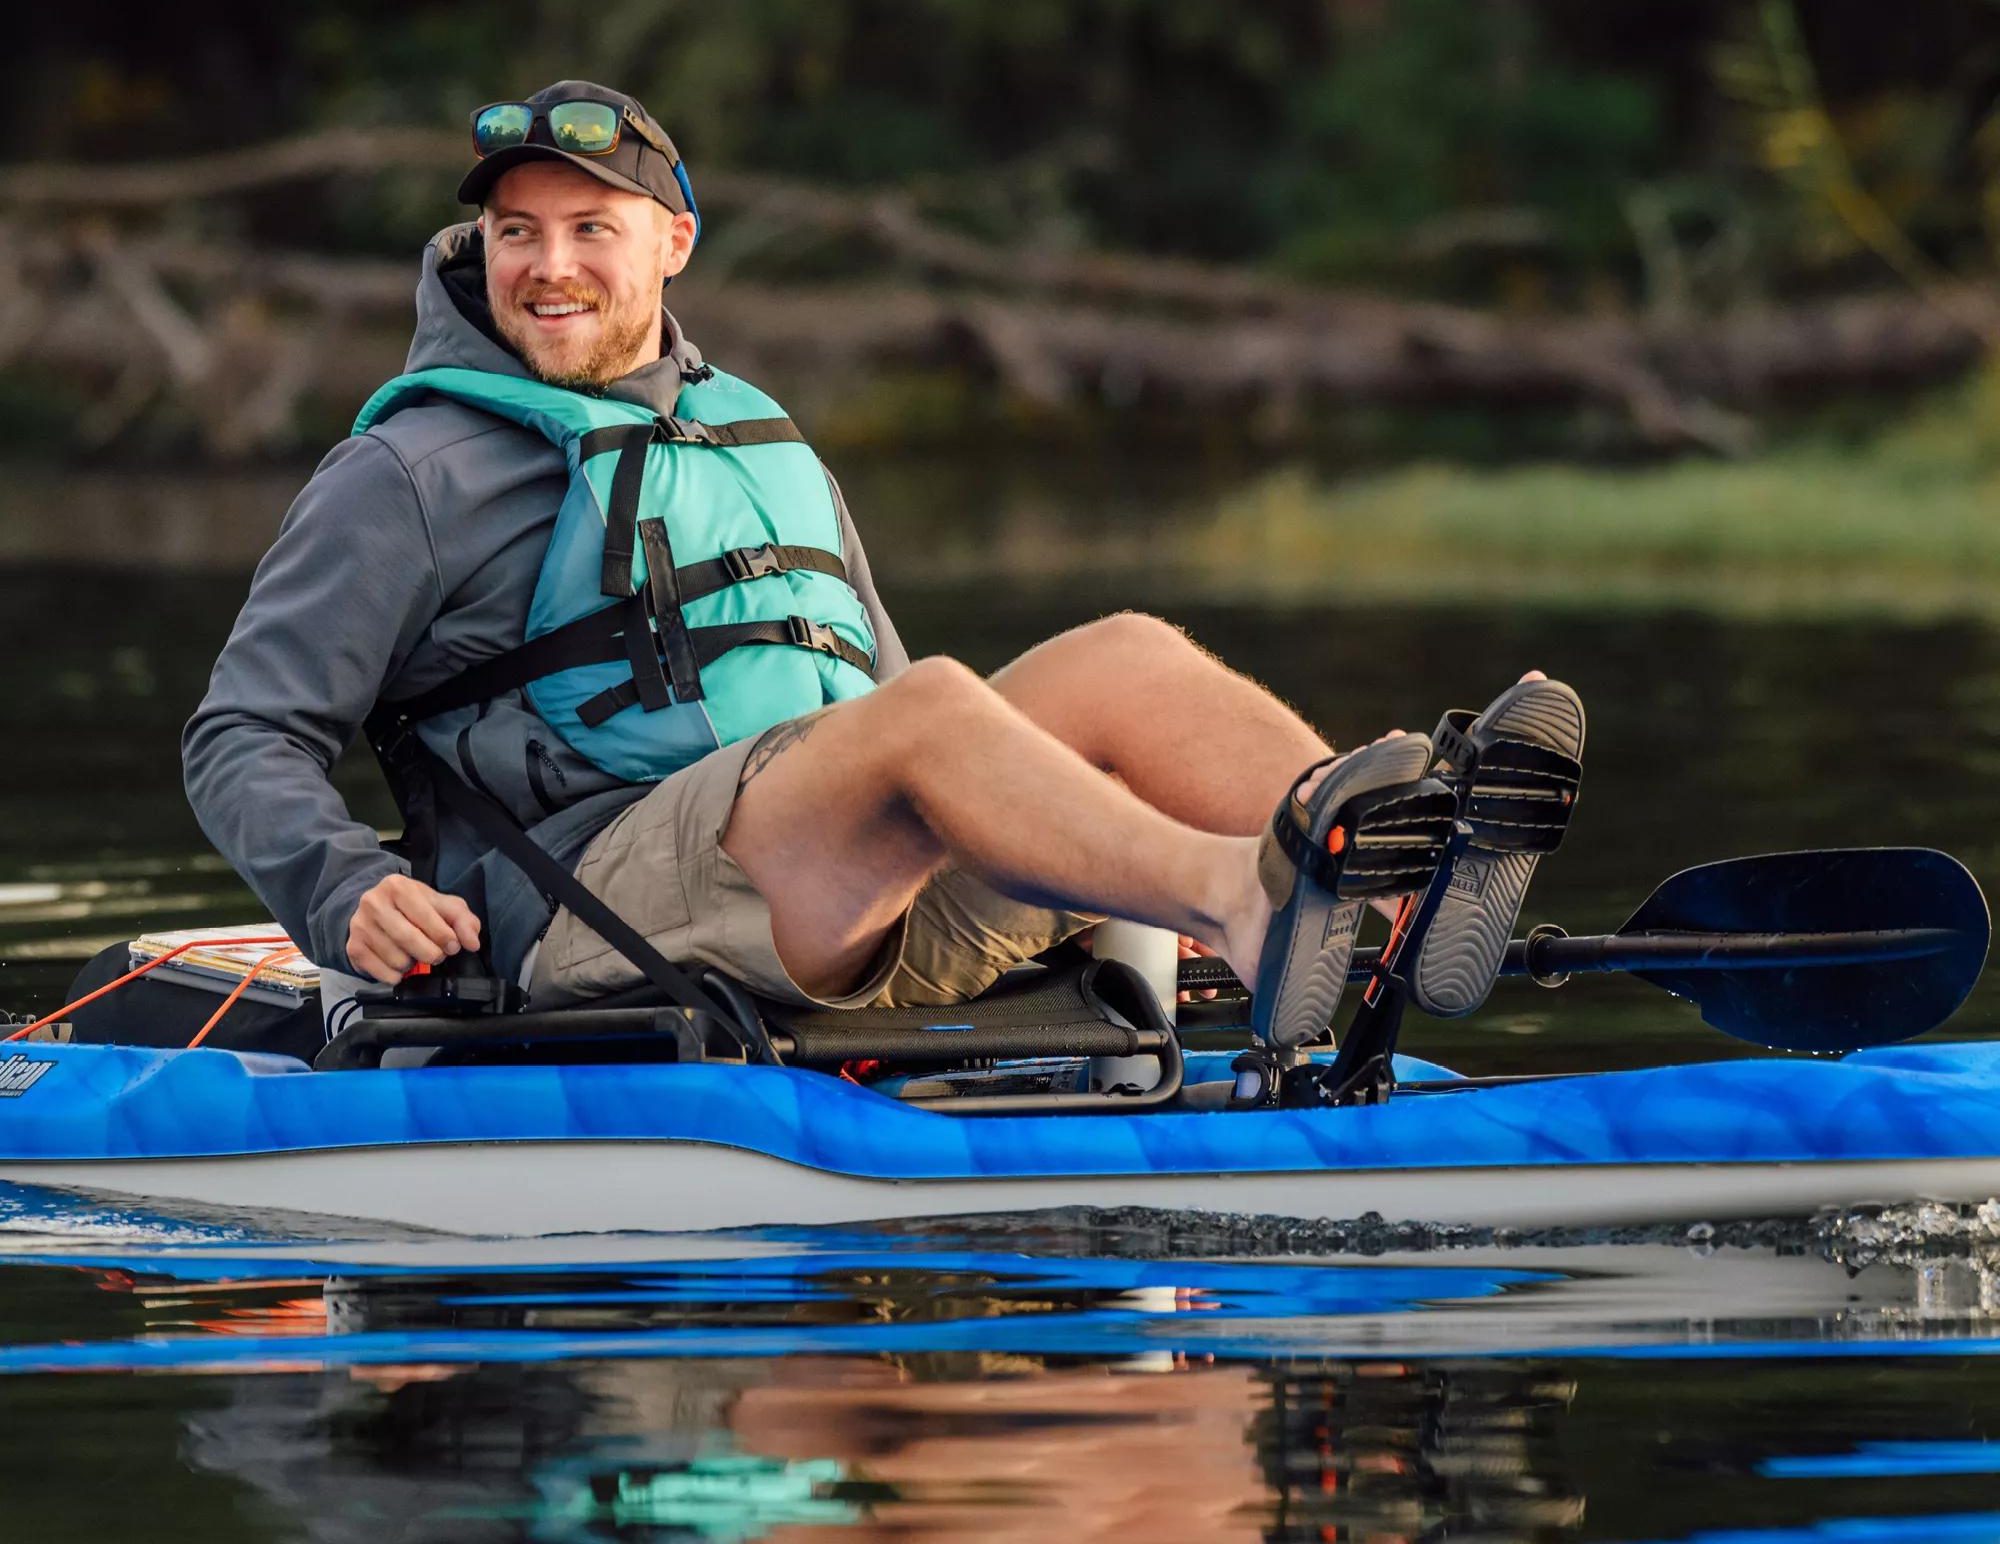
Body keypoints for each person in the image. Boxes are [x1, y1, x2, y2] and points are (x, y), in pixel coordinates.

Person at [184, 81, 1583, 1048]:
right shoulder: (409, 473)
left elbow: (905, 709)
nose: (548, 267)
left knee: (1125, 657)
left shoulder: (751, 436)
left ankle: (1387, 905)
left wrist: (1077, 840)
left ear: (672, 243)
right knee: (930, 715)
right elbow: (242, 732)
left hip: (836, 894)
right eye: (515, 234)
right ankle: (1247, 892)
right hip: (595, 909)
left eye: (589, 230)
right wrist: (341, 888)